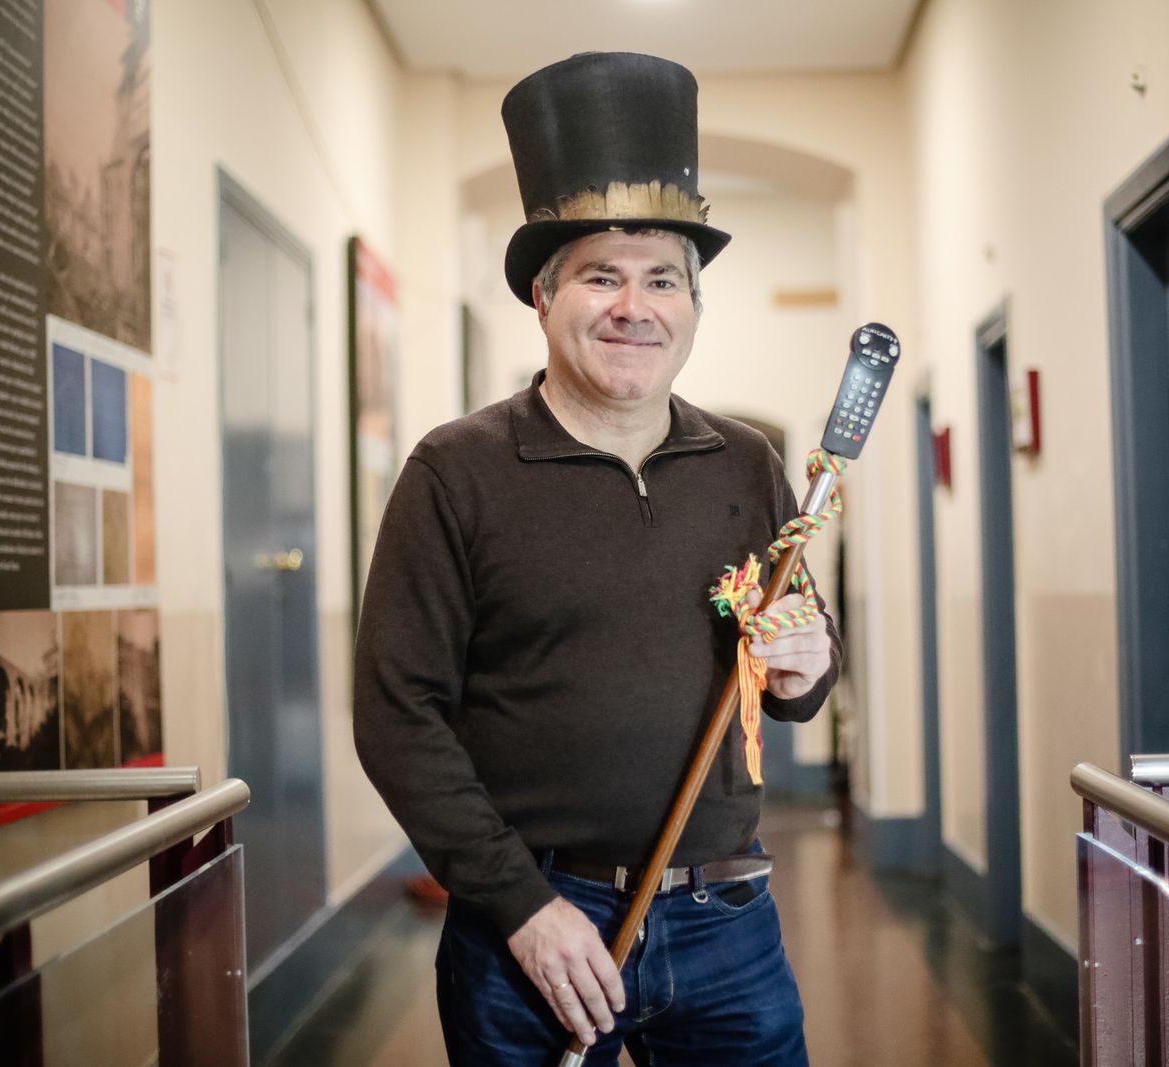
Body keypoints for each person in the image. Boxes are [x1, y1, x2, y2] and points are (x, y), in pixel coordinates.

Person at [354, 51, 842, 1066]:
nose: (635, 306)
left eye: (663, 278)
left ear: (694, 306)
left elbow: (795, 662)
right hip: (532, 926)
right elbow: (398, 714)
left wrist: (808, 660)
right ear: (543, 295)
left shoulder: (746, 463)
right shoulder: (456, 470)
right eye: (600, 276)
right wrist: (520, 905)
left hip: (727, 913)